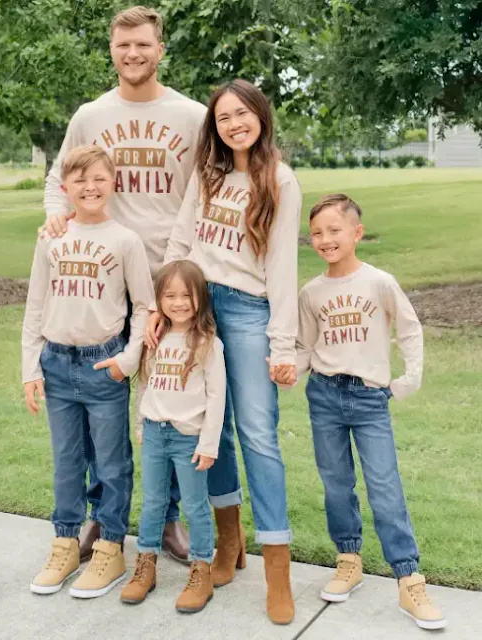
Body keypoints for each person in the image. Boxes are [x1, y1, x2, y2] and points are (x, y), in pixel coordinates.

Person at [41, 5, 207, 563]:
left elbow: (203, 194)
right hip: (105, 285)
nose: (132, 54)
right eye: (122, 45)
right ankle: (100, 516)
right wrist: (55, 219)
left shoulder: (191, 115)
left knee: (172, 408)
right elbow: (56, 178)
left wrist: (176, 286)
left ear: (161, 49)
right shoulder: (91, 115)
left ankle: (165, 520)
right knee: (101, 408)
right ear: (111, 50)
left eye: (142, 45)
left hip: (172, 280)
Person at [148, 79, 302, 625]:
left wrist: (282, 344)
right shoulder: (208, 173)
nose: (234, 123)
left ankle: (277, 573)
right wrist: (161, 306)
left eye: (243, 114)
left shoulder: (278, 179)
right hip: (198, 307)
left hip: (248, 312)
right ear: (214, 126)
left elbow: (283, 267)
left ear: (260, 116)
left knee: (258, 435)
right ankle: (228, 542)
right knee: (207, 427)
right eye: (223, 117)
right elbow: (180, 243)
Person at [293, 193, 447, 630]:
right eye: (317, 233)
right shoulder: (312, 292)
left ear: (356, 233)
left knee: (384, 486)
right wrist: (288, 368)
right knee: (336, 482)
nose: (325, 239)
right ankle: (348, 560)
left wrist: (410, 377)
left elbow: (410, 328)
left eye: (334, 231)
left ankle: (408, 578)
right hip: (323, 395)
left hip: (369, 398)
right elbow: (306, 347)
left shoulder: (378, 281)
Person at [23, 145, 154, 598]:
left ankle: (111, 548)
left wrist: (128, 360)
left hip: (104, 366)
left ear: (113, 183)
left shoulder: (125, 240)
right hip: (57, 364)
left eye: (99, 178)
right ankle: (64, 542)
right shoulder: (51, 237)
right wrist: (29, 370)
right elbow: (35, 306)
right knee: (67, 462)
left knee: (113, 463)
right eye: (79, 180)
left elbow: (145, 306)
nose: (90, 187)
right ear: (65, 188)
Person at [120, 260, 225, 612]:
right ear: (159, 299)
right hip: (154, 432)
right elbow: (145, 384)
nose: (179, 302)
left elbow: (216, 396)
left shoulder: (208, 343)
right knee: (152, 502)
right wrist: (139, 425)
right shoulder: (156, 337)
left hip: (189, 438)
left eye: (187, 295)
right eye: (170, 295)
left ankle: (201, 570)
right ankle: (145, 565)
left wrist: (209, 443)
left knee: (195, 506)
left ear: (201, 299)